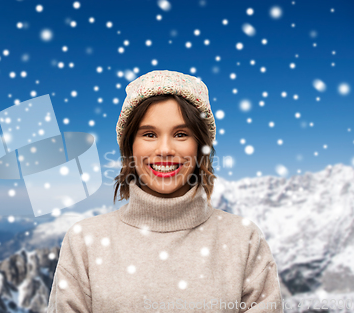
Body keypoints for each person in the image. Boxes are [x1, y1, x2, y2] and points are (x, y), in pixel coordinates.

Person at [47, 70, 284, 312]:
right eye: (149, 134)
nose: (165, 149)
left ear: (201, 146)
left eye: (181, 134)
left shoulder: (244, 240)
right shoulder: (84, 241)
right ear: (129, 146)